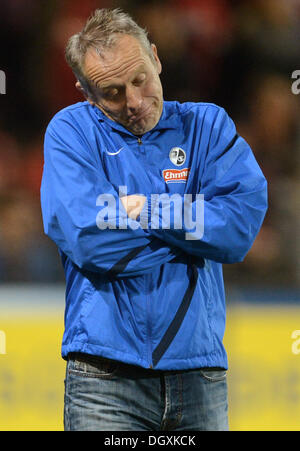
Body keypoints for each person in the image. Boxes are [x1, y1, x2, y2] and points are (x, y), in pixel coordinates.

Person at [40, 8, 267, 431]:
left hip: (199, 374)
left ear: (157, 58)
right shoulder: (70, 132)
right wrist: (194, 228)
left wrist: (144, 209)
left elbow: (237, 231)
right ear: (85, 93)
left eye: (141, 79)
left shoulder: (208, 126)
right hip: (103, 377)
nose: (134, 102)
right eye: (111, 92)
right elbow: (88, 240)